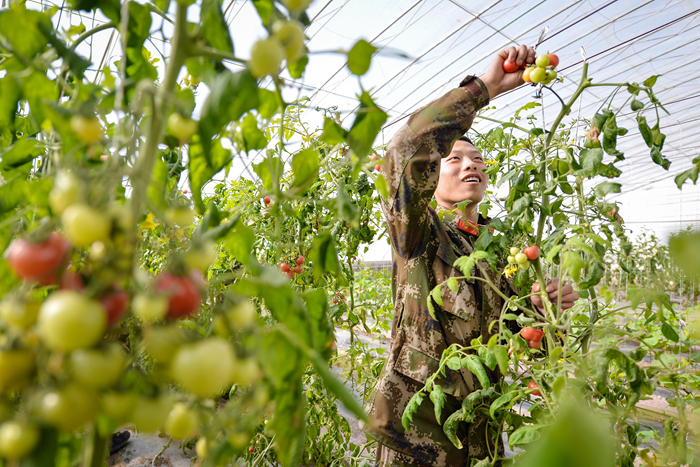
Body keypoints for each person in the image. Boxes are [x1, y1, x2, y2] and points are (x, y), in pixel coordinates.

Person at [363, 45, 579, 466]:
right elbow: (405, 151)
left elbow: (520, 345)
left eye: (477, 159)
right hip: (418, 442)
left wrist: (539, 314)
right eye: (454, 158)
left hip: (481, 437)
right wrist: (484, 89)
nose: (469, 165)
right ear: (433, 174)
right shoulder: (419, 234)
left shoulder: (503, 250)